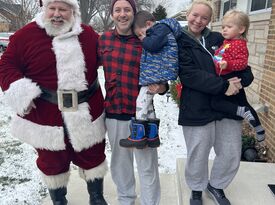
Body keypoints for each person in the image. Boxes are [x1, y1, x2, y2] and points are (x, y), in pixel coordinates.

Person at [0, 0, 108, 205]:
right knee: (51, 161)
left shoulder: (88, 34)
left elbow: (110, 57)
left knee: (93, 155)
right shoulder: (25, 36)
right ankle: (59, 201)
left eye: (63, 9)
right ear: (45, 9)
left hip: (86, 111)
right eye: (53, 8)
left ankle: (97, 197)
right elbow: (6, 66)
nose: (57, 14)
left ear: (73, 11)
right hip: (46, 114)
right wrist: (22, 93)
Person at [177, 1, 254, 205]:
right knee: (198, 152)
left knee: (230, 151)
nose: (198, 20)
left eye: (204, 17)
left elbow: (244, 68)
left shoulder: (221, 38)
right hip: (197, 105)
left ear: (210, 21)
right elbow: (189, 74)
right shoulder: (178, 40)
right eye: (195, 15)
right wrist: (223, 85)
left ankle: (217, 184)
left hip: (227, 105)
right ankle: (196, 187)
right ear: (188, 13)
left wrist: (241, 81)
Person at [98, 0, 167, 204]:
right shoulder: (104, 40)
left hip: (142, 115)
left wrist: (162, 87)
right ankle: (126, 199)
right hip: (114, 112)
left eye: (127, 9)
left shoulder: (146, 40)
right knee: (120, 164)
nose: (122, 14)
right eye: (117, 10)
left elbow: (162, 71)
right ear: (112, 14)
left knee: (147, 165)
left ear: (133, 13)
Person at [119, 10, 182, 149]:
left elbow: (152, 45)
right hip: (158, 71)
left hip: (157, 72)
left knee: (141, 100)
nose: (141, 37)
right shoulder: (161, 30)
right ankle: (152, 135)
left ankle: (138, 136)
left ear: (149, 24)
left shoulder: (160, 29)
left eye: (141, 33)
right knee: (148, 103)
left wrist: (144, 39)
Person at [211, 9, 265, 144]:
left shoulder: (239, 45)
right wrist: (216, 56)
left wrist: (226, 64)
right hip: (224, 76)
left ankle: (257, 127)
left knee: (218, 102)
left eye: (229, 27)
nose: (224, 30)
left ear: (241, 29)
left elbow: (242, 63)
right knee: (239, 102)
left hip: (231, 76)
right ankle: (248, 116)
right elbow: (220, 55)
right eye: (223, 27)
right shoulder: (227, 42)